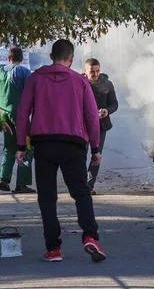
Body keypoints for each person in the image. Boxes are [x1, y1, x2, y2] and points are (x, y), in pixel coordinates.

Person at [15, 39, 107, 263]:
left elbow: (22, 112)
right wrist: (95, 148)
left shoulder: (36, 78)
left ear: (50, 56)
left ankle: (54, 248)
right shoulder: (79, 80)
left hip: (43, 144)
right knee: (81, 193)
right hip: (74, 144)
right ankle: (90, 237)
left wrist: (20, 146)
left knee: (47, 198)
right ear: (71, 57)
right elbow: (92, 118)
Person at [0, 48, 35, 194]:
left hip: (3, 115)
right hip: (19, 115)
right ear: (21, 59)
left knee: (9, 147)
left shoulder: (1, 72)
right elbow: (30, 93)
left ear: (8, 59)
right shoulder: (24, 72)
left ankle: (3, 179)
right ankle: (22, 184)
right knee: (27, 147)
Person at [83, 58, 118, 195]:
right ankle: (80, 184)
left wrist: (107, 111)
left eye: (97, 71)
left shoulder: (107, 84)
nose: (95, 74)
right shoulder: (79, 83)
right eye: (92, 71)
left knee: (96, 156)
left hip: (100, 126)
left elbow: (114, 103)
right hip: (82, 126)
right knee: (80, 155)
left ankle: (89, 185)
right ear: (85, 71)